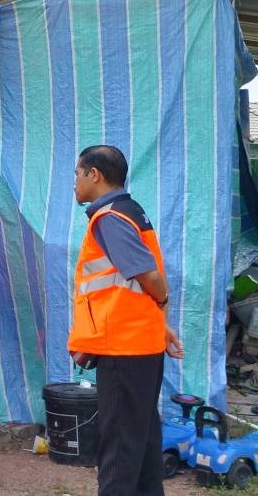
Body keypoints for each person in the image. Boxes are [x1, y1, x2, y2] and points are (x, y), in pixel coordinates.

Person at [67, 145, 185, 496]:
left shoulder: (111, 218)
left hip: (123, 345)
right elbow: (135, 287)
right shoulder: (131, 212)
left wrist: (163, 300)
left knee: (119, 447)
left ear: (94, 175)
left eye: (77, 174)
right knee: (143, 439)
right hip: (139, 342)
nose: (74, 182)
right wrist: (160, 321)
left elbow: (148, 276)